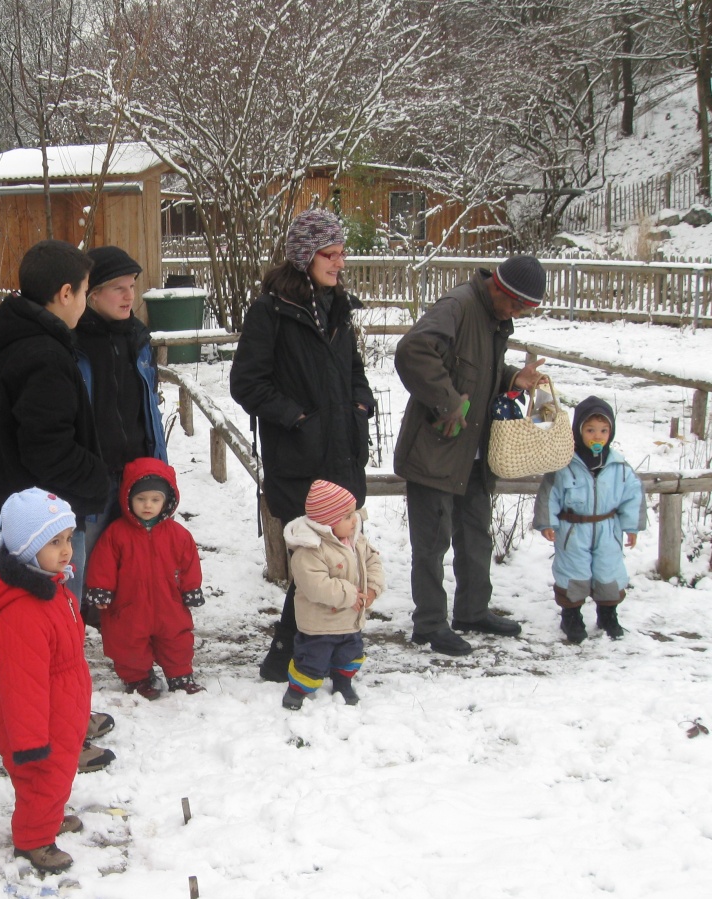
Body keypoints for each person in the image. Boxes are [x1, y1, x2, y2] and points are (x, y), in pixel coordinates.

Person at [229, 209, 375, 683]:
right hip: (300, 457)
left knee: (332, 555)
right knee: (313, 558)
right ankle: (294, 652)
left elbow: (353, 368)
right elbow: (246, 383)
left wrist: (361, 405)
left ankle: (300, 651)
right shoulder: (270, 311)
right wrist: (296, 417)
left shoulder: (336, 307)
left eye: (341, 253)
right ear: (304, 257)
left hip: (342, 451)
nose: (339, 263)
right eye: (329, 255)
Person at [394, 255, 548, 655]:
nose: (517, 313)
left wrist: (513, 377)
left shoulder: (494, 318)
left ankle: (472, 610)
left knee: (476, 534)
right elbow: (414, 351)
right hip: (436, 447)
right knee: (432, 542)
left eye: (523, 310)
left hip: (474, 450)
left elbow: (475, 370)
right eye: (516, 305)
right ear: (498, 286)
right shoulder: (458, 305)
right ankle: (429, 624)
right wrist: (448, 403)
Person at [0, 239, 111, 602]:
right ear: (66, 293)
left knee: (34, 625)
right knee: (54, 626)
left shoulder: (25, 340)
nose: (85, 301)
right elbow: (48, 450)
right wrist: (99, 478)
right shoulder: (43, 354)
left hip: (31, 519)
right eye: (85, 291)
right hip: (48, 526)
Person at [0, 488, 94, 874]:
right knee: (42, 778)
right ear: (26, 548)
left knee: (59, 773)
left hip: (61, 705)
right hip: (35, 717)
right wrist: (29, 741)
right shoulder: (22, 612)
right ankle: (34, 840)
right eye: (54, 542)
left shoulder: (52, 588)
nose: (66, 550)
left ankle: (49, 815)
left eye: (68, 539)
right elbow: (22, 684)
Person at [74, 245, 168, 573]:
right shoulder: (74, 344)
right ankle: (84, 624)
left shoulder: (138, 339)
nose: (129, 297)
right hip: (93, 479)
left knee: (135, 568)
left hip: (137, 475)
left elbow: (149, 412)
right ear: (93, 294)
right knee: (86, 567)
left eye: (132, 287)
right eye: (118, 289)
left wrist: (159, 467)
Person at [84, 457, 205, 698]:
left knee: (177, 639)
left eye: (155, 500)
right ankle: (138, 679)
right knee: (127, 643)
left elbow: (189, 563)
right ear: (128, 498)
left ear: (167, 501)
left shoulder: (179, 535)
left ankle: (180, 676)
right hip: (129, 605)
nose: (147, 505)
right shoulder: (116, 534)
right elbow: (103, 564)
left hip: (169, 604)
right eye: (141, 499)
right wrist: (101, 589)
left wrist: (191, 589)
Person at [533, 397, 645, 642]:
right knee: (574, 572)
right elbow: (549, 494)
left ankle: (608, 614)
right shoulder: (565, 464)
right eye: (590, 430)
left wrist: (631, 527)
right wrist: (547, 522)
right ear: (579, 431)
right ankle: (571, 615)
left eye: (604, 431)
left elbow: (632, 495)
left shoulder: (618, 466)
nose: (598, 436)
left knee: (609, 572)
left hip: (608, 529)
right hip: (574, 529)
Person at [281, 480, 385, 710]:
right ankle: (298, 689)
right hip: (320, 625)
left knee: (349, 655)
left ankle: (342, 682)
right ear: (328, 522)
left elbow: (372, 561)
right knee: (311, 660)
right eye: (347, 516)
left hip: (351, 621)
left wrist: (372, 588)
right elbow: (315, 585)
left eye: (354, 513)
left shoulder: (356, 540)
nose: (355, 520)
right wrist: (351, 594)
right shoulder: (310, 550)